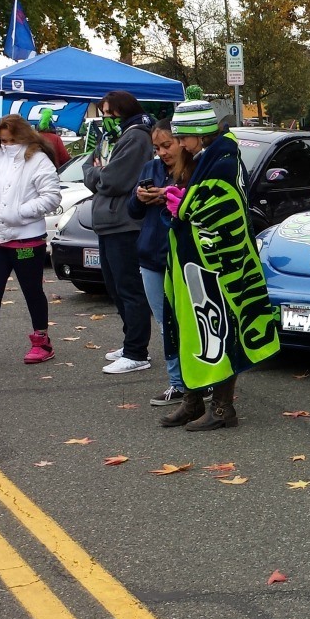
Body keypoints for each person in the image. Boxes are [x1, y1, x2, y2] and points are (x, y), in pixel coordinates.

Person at [159, 99, 279, 431]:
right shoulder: (208, 158)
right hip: (194, 264)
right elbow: (200, 203)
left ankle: (223, 410)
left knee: (218, 331)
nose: (180, 143)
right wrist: (182, 202)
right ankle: (193, 401)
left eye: (183, 137)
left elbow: (221, 210)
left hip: (216, 266)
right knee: (191, 330)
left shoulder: (223, 160)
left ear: (198, 132)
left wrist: (184, 207)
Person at [0, 114, 61, 368]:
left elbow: (52, 197)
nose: (7, 145)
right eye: (3, 140)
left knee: (32, 291)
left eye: (12, 140)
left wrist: (18, 212)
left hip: (26, 241)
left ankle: (41, 341)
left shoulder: (38, 159)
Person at [83, 90, 152, 374]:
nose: (105, 118)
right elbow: (90, 165)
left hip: (124, 223)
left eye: (110, 113)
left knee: (128, 288)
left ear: (123, 111)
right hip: (108, 222)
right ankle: (130, 342)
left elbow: (113, 179)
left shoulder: (136, 137)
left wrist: (98, 174)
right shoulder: (113, 137)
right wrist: (98, 173)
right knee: (114, 287)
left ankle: (137, 352)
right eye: (103, 113)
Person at [128, 119, 191, 406]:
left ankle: (203, 381)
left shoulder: (194, 169)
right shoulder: (150, 169)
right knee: (166, 324)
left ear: (181, 142)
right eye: (157, 148)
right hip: (151, 256)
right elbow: (133, 211)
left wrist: (172, 198)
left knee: (190, 322)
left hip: (184, 258)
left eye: (167, 145)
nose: (162, 153)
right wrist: (140, 197)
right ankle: (177, 384)